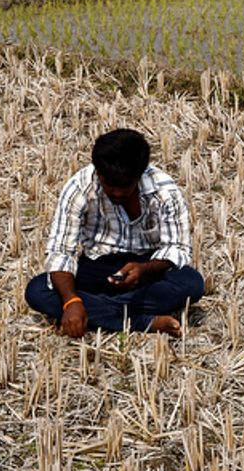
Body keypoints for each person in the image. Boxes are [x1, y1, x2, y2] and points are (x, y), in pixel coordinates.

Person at [24, 128, 204, 338]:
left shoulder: (164, 191)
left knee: (191, 283)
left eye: (125, 186)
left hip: (148, 270)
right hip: (98, 267)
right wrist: (71, 301)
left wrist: (144, 269)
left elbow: (177, 248)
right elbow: (61, 253)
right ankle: (142, 321)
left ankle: (97, 313)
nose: (117, 193)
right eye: (109, 186)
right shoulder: (79, 188)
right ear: (98, 173)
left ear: (140, 175)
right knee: (38, 290)